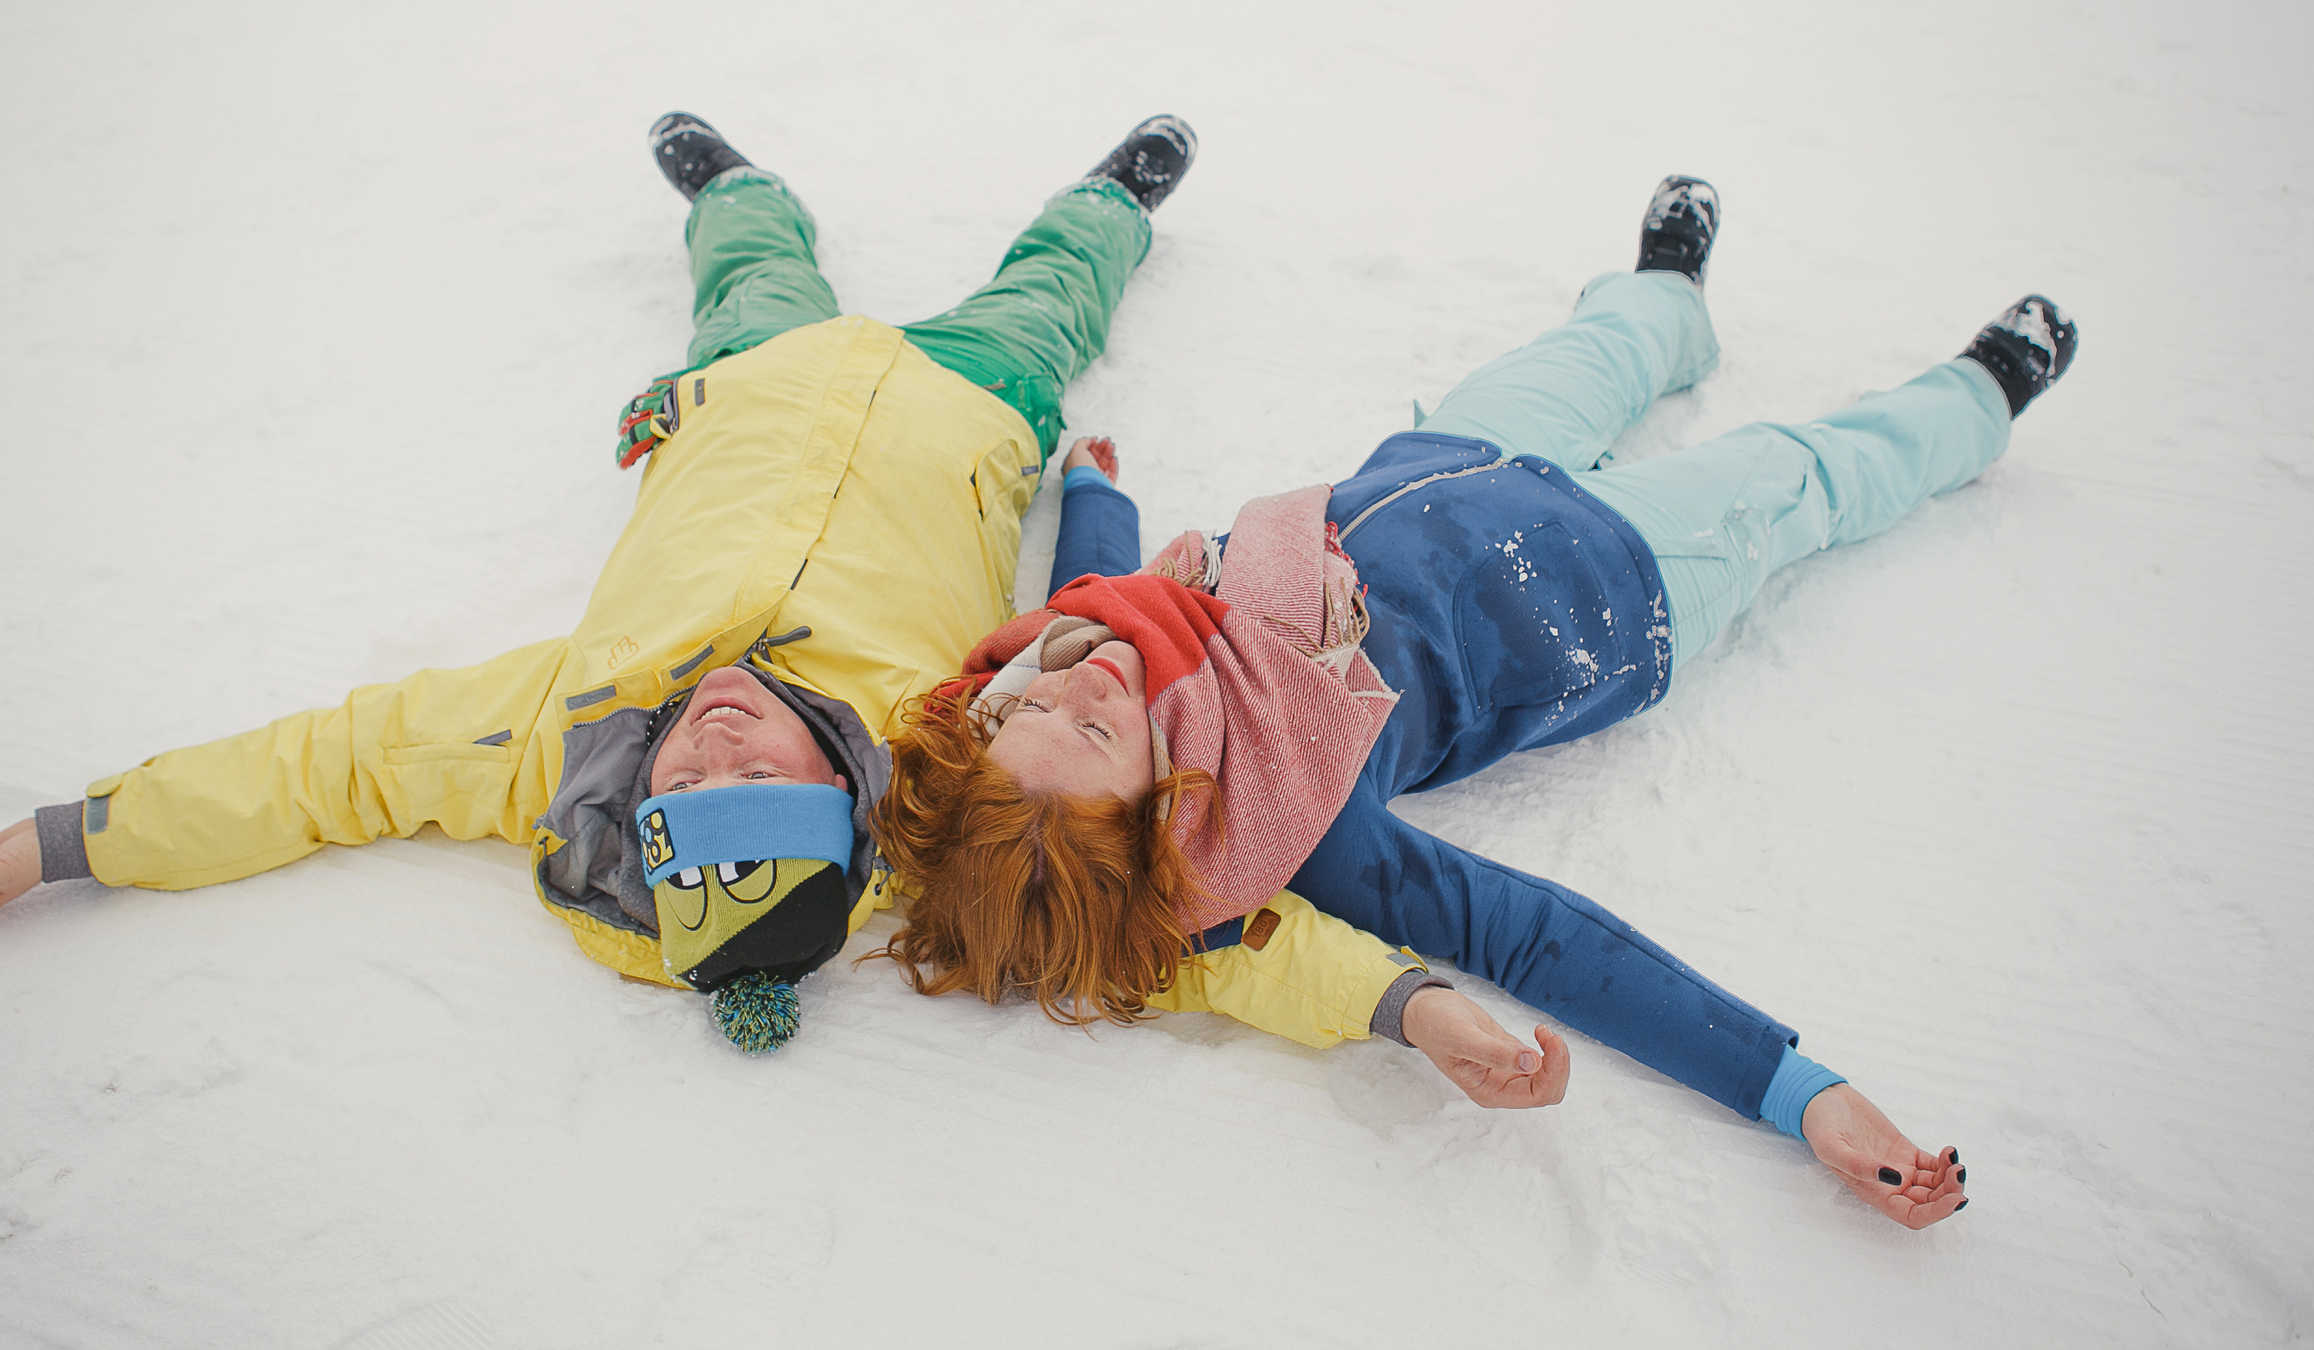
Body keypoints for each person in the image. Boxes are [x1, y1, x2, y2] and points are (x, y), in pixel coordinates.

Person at [0, 111, 1266, 1052]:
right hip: (969, 406)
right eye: (763, 773)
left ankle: (730, 187)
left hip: (750, 389)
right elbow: (1110, 894)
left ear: (640, 798)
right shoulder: (928, 756)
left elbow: (314, 770)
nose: (719, 737)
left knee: (751, 269)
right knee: (1054, 297)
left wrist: (67, 837)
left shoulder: (545, 733)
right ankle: (1113, 198)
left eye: (686, 784)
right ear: (842, 786)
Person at [876, 176, 2074, 1227]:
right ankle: (1978, 395)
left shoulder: (1063, 663)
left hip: (1450, 459)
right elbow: (1533, 935)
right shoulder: (1303, 817)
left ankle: (1668, 297)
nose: (1083, 687)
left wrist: (1095, 497)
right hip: (1615, 582)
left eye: (1037, 717)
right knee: (1803, 469)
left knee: (1597, 352)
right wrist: (1794, 1087)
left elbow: (1097, 595)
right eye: (1100, 732)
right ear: (1162, 803)